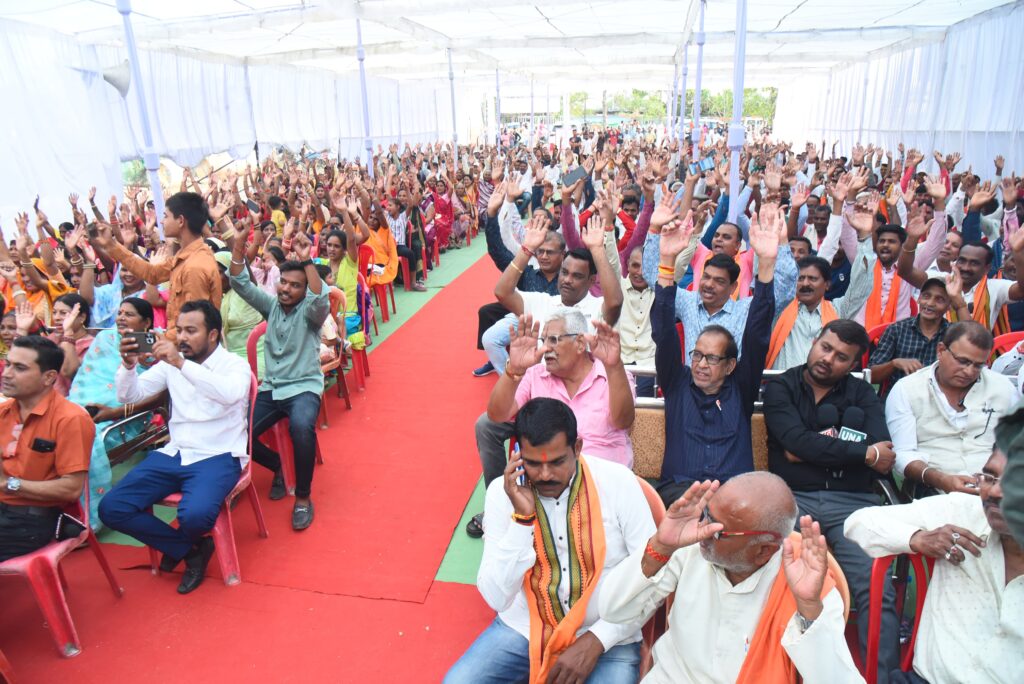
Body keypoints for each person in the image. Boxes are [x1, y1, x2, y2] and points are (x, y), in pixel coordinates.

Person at [445, 398, 655, 684]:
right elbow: (496, 598)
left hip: (608, 633)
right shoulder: (501, 494)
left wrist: (597, 640)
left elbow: (652, 579)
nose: (545, 475)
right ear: (518, 454)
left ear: (577, 448)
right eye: (533, 463)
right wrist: (522, 520)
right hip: (526, 627)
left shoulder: (618, 482)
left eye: (557, 462)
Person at [600, 475, 864, 684]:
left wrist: (808, 609)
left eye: (719, 531)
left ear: (763, 551)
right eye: (706, 515)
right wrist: (660, 545)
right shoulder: (691, 546)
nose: (704, 530)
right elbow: (613, 610)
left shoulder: (807, 583)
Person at [763, 319, 899, 682]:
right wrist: (861, 453)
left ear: (853, 364)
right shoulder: (781, 387)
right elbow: (794, 443)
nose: (828, 359)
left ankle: (880, 678)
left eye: (841, 357)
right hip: (793, 500)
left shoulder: (862, 393)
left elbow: (883, 450)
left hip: (853, 502)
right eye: (825, 348)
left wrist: (811, 449)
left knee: (876, 588)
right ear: (814, 342)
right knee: (774, 582)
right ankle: (778, 673)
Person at [98, 300, 251, 594]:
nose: (181, 337)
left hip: (218, 454)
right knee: (112, 508)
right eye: (179, 330)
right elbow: (129, 395)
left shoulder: (234, 365)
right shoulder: (172, 364)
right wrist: (128, 366)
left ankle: (183, 547)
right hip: (175, 452)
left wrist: (180, 364)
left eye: (191, 331)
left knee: (195, 516)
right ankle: (191, 551)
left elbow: (230, 394)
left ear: (213, 335)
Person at [845, 448, 1022, 684]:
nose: (995, 491)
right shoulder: (961, 511)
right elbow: (858, 522)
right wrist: (917, 538)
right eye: (990, 478)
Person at [651, 208, 781, 507]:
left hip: (733, 497)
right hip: (680, 493)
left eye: (711, 358)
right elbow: (663, 331)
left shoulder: (741, 387)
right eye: (697, 355)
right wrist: (667, 260)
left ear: (731, 365)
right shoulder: (677, 382)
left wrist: (767, 263)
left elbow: (758, 334)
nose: (700, 364)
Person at [229, 224, 329, 530]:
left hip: (304, 387)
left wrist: (307, 259)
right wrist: (237, 247)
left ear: (304, 290)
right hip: (272, 388)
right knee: (237, 432)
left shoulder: (311, 312)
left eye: (295, 286)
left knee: (301, 428)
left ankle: (303, 497)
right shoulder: (271, 305)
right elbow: (241, 283)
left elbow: (320, 299)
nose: (286, 289)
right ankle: (277, 465)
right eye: (283, 282)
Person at [885, 322, 1018, 496]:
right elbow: (903, 454)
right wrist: (941, 480)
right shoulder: (907, 389)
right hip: (931, 487)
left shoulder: (1003, 388)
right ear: (940, 350)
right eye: (963, 361)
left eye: (978, 365)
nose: (969, 371)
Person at [69, 297, 163, 528]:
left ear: (146, 322)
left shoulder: (158, 345)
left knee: (83, 440)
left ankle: (87, 517)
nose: (121, 318)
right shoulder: (106, 339)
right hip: (84, 406)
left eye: (129, 314)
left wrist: (113, 412)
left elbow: (157, 395)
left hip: (125, 416)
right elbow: (89, 378)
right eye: (120, 313)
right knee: (60, 430)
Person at [0, 336, 94, 562]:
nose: (6, 374)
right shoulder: (4, 411)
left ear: (49, 377)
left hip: (31, 520)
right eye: (8, 364)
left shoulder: (71, 419)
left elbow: (71, 489)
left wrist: (7, 484)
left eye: (19, 368)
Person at [92, 192, 222, 335]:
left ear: (180, 221)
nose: (161, 222)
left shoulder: (195, 266)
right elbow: (152, 274)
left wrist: (162, 341)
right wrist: (111, 244)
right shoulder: (186, 255)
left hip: (184, 344)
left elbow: (194, 327)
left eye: (165, 216)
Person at [475, 181, 563, 377]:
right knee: (489, 338)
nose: (544, 256)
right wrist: (491, 213)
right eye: (540, 251)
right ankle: (512, 377)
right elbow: (497, 250)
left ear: (562, 255)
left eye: (550, 252)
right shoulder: (527, 269)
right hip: (522, 316)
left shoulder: (568, 276)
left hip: (556, 323)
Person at [898, 210, 1024, 334]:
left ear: (987, 268)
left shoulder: (994, 287)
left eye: (974, 263)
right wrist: (912, 239)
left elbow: (1021, 289)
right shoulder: (942, 280)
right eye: (962, 261)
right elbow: (905, 272)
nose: (965, 267)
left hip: (977, 345)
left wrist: (1018, 253)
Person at [867, 276, 965, 393]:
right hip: (900, 396)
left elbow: (975, 339)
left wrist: (961, 306)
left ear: (949, 306)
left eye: (939, 300)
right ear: (919, 298)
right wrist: (894, 363)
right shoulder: (897, 329)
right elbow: (871, 376)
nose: (930, 303)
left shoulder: (953, 334)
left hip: (938, 397)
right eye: (926, 296)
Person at [213, 250, 265, 378]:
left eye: (219, 272)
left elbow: (247, 280)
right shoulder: (219, 297)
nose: (214, 277)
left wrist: (238, 244)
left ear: (229, 273)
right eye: (212, 272)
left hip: (256, 357)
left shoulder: (247, 294)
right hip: (229, 357)